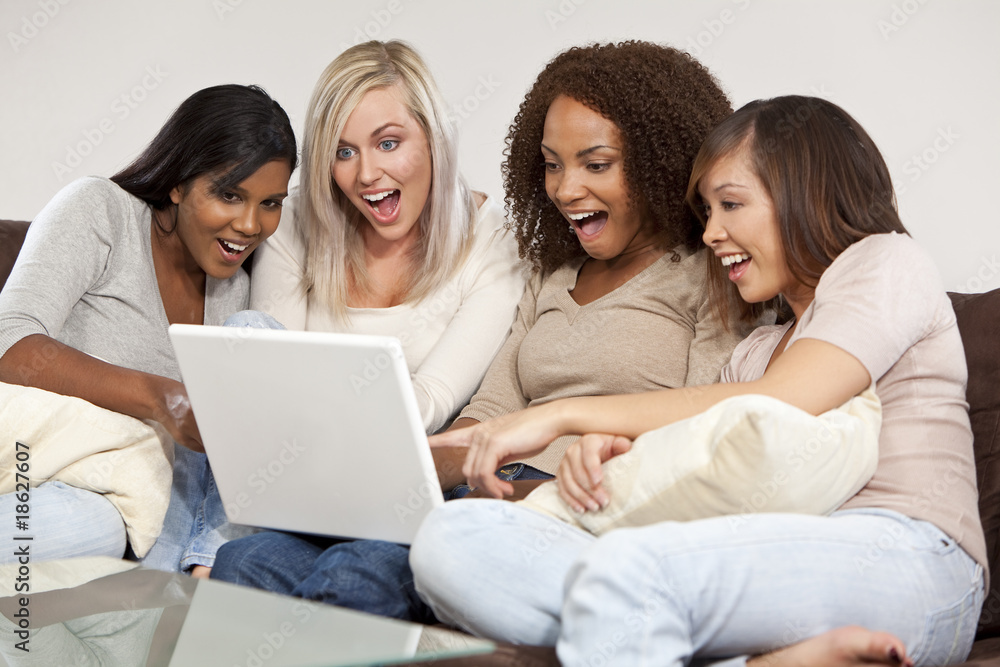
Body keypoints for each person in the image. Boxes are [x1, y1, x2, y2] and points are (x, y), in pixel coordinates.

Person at [411, 95, 985, 667]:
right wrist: (610, 453)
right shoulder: (752, 354)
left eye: (731, 204)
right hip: (754, 564)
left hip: (909, 558)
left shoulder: (886, 262)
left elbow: (785, 400)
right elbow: (696, 460)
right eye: (708, 211)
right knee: (453, 540)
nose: (711, 232)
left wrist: (560, 416)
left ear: (807, 194)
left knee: (628, 571)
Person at [212, 41, 749, 624]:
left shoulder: (710, 276)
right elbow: (489, 410)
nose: (566, 189)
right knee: (247, 560)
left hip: (566, 510)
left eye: (596, 165)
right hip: (476, 498)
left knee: (354, 575)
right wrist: (398, 479)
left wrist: (525, 490)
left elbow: (703, 432)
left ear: (658, 162)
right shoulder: (551, 275)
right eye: (552, 164)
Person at [0, 84, 297, 572]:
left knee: (100, 526)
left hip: (130, 505)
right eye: (229, 194)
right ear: (177, 184)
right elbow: (9, 340)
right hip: (42, 464)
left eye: (270, 203)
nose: (250, 224)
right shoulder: (102, 211)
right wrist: (162, 398)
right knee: (87, 526)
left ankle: (192, 580)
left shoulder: (235, 294)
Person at [245, 39, 526, 435]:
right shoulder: (292, 222)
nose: (366, 174)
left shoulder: (494, 242)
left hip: (404, 453)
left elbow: (431, 400)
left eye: (388, 143)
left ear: (434, 139)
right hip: (292, 446)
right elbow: (269, 382)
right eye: (344, 152)